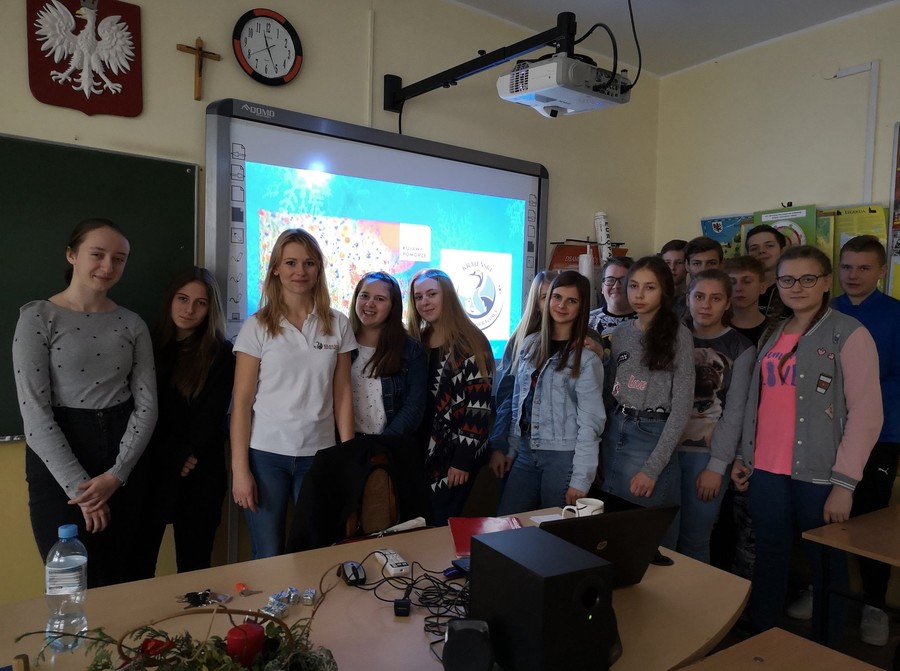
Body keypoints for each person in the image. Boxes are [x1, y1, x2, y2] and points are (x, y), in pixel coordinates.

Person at [732, 245, 882, 646]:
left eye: (807, 278)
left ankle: (824, 651)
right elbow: (755, 401)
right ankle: (760, 642)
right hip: (766, 469)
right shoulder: (774, 331)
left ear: (826, 282)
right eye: (787, 279)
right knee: (770, 556)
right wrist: (744, 454)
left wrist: (845, 484)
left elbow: (867, 414)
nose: (796, 287)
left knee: (826, 566)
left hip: (819, 474)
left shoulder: (848, 333)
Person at [13, 218, 158, 587]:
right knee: (72, 583)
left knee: (126, 578)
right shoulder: (37, 317)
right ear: (71, 255)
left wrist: (116, 475)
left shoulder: (132, 323)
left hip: (123, 456)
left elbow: (147, 406)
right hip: (59, 458)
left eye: (119, 259)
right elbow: (35, 412)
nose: (108, 266)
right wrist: (84, 492)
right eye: (98, 254)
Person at [231, 229, 356, 559]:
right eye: (290, 263)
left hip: (319, 456)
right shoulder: (257, 326)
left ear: (318, 269)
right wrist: (240, 471)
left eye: (309, 263)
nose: (300, 271)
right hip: (265, 457)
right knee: (269, 553)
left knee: (314, 551)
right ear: (275, 268)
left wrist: (347, 458)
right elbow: (241, 403)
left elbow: (343, 394)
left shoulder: (338, 324)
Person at [132, 267, 235, 578]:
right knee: (139, 562)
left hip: (199, 468)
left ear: (210, 309)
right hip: (151, 466)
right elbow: (137, 407)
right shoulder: (145, 344)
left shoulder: (221, 353)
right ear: (170, 299)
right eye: (182, 298)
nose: (189, 309)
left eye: (200, 303)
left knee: (194, 566)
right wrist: (172, 455)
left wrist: (185, 454)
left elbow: (210, 416)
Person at [832, 235, 900, 646]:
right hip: (826, 433)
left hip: (881, 434)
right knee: (824, 513)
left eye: (863, 267)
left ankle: (875, 604)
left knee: (869, 516)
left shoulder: (895, 315)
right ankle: (822, 589)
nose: (853, 275)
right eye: (846, 267)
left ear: (881, 270)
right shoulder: (826, 309)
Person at [600, 256, 695, 548]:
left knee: (648, 539)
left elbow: (682, 406)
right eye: (634, 286)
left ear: (664, 291)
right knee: (614, 531)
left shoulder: (678, 335)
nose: (639, 295)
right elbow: (610, 389)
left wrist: (652, 468)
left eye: (649, 287)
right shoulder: (621, 333)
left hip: (651, 435)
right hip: (616, 429)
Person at [495, 271, 606, 513]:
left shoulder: (587, 359)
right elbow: (518, 403)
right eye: (557, 297)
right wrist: (512, 448)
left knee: (554, 526)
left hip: (563, 456)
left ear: (581, 307)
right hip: (526, 450)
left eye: (571, 301)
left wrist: (581, 479)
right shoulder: (529, 344)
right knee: (507, 522)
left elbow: (591, 423)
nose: (561, 306)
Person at [676, 269, 754, 564]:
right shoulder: (672, 337)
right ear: (688, 298)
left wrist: (717, 466)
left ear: (727, 303)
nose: (706, 305)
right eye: (699, 296)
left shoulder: (740, 348)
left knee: (695, 540)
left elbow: (736, 412)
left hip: (707, 456)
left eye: (716, 298)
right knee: (661, 539)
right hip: (664, 451)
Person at [408, 268, 494, 525]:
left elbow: (479, 408)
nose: (424, 302)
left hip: (457, 455)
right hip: (422, 451)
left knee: (440, 523)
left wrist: (462, 461)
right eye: (418, 297)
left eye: (432, 294)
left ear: (447, 296)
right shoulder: (418, 342)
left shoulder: (471, 342)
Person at [489, 270, 558, 484]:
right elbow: (507, 399)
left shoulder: (579, 342)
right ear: (536, 303)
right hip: (519, 443)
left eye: (556, 296)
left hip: (559, 448)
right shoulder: (520, 341)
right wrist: (500, 446)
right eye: (545, 297)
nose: (553, 304)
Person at [348, 271, 426, 436]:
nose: (370, 303)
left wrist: (381, 444)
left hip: (389, 445)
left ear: (393, 306)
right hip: (345, 443)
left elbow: (414, 407)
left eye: (380, 299)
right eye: (364, 296)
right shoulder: (340, 343)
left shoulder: (411, 350)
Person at [724, 255, 769, 346]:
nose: (738, 288)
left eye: (747, 281)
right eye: (732, 283)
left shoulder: (775, 330)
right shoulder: (716, 327)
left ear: (762, 287)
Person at [677, 237, 724, 320]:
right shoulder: (673, 307)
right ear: (687, 265)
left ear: (721, 265)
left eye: (711, 263)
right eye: (696, 263)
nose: (704, 269)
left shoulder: (734, 304)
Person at [745, 224, 787, 316]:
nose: (761, 251)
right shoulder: (740, 288)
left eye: (769, 246)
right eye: (754, 248)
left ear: (782, 251)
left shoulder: (793, 288)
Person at [588, 257, 637, 337]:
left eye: (623, 280)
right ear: (602, 288)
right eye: (610, 280)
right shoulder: (587, 322)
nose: (616, 286)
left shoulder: (650, 321)